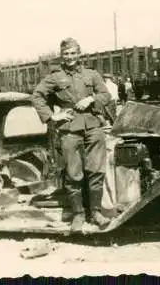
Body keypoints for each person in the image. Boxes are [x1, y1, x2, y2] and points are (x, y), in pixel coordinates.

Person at [31, 37, 112, 233]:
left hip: (93, 126)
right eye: (66, 54)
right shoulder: (54, 77)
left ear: (79, 54)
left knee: (96, 170)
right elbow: (37, 95)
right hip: (69, 128)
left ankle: (96, 212)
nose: (70, 57)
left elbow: (106, 95)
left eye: (73, 53)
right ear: (61, 56)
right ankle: (78, 215)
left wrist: (91, 99)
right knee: (73, 173)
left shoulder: (91, 74)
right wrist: (52, 116)